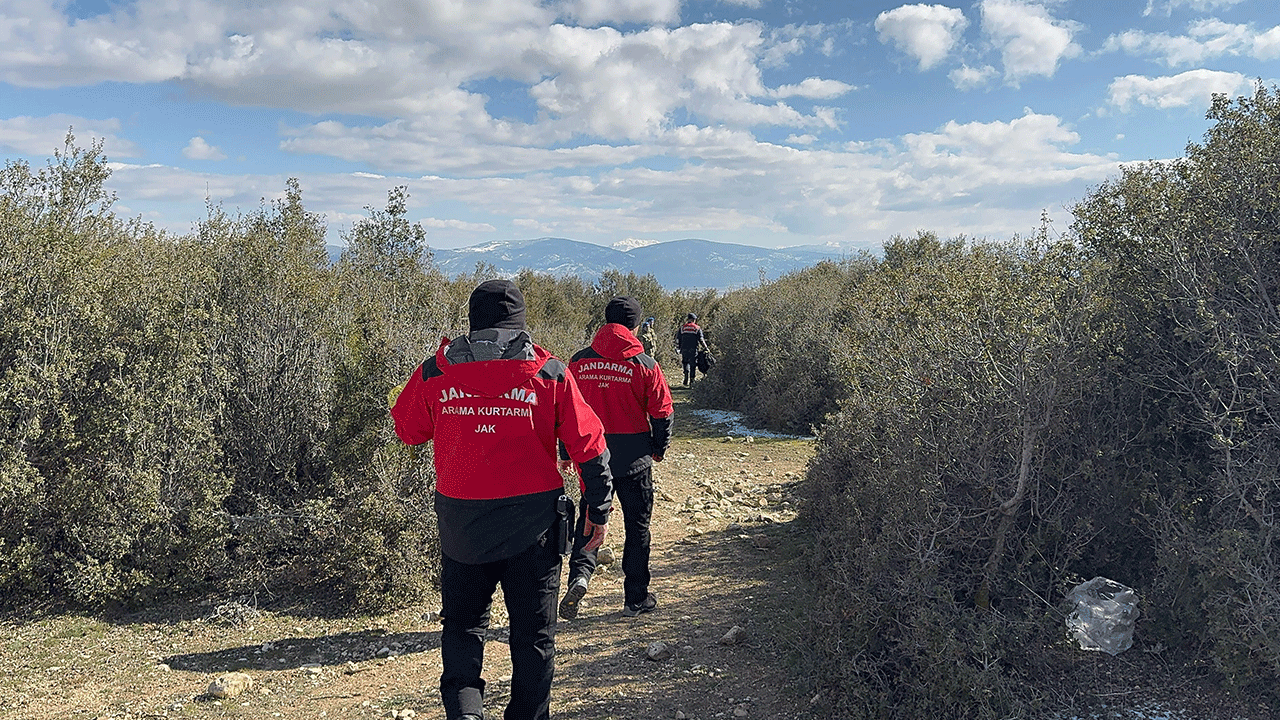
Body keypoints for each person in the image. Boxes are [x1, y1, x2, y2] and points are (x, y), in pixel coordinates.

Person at [390, 279, 613, 720]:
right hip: (534, 529)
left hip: (462, 526)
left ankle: (466, 713)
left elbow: (407, 430)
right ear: (520, 324)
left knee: (463, 628)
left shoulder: (435, 372)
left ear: (471, 322)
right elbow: (590, 447)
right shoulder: (549, 373)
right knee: (533, 637)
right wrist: (599, 509)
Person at [559, 297, 673, 620]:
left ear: (605, 323)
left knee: (591, 518)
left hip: (593, 457)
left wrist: (567, 452)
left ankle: (580, 577)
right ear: (635, 327)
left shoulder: (579, 362)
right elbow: (663, 412)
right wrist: (658, 448)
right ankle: (635, 599)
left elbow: (566, 413)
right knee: (637, 527)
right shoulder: (645, 364)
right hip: (635, 458)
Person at [676, 312, 709, 386]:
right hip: (693, 349)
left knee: (685, 363)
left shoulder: (682, 328)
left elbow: (678, 339)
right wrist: (706, 348)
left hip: (684, 349)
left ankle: (686, 377)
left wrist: (678, 347)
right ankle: (692, 380)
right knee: (692, 364)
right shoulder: (697, 328)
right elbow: (701, 339)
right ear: (694, 319)